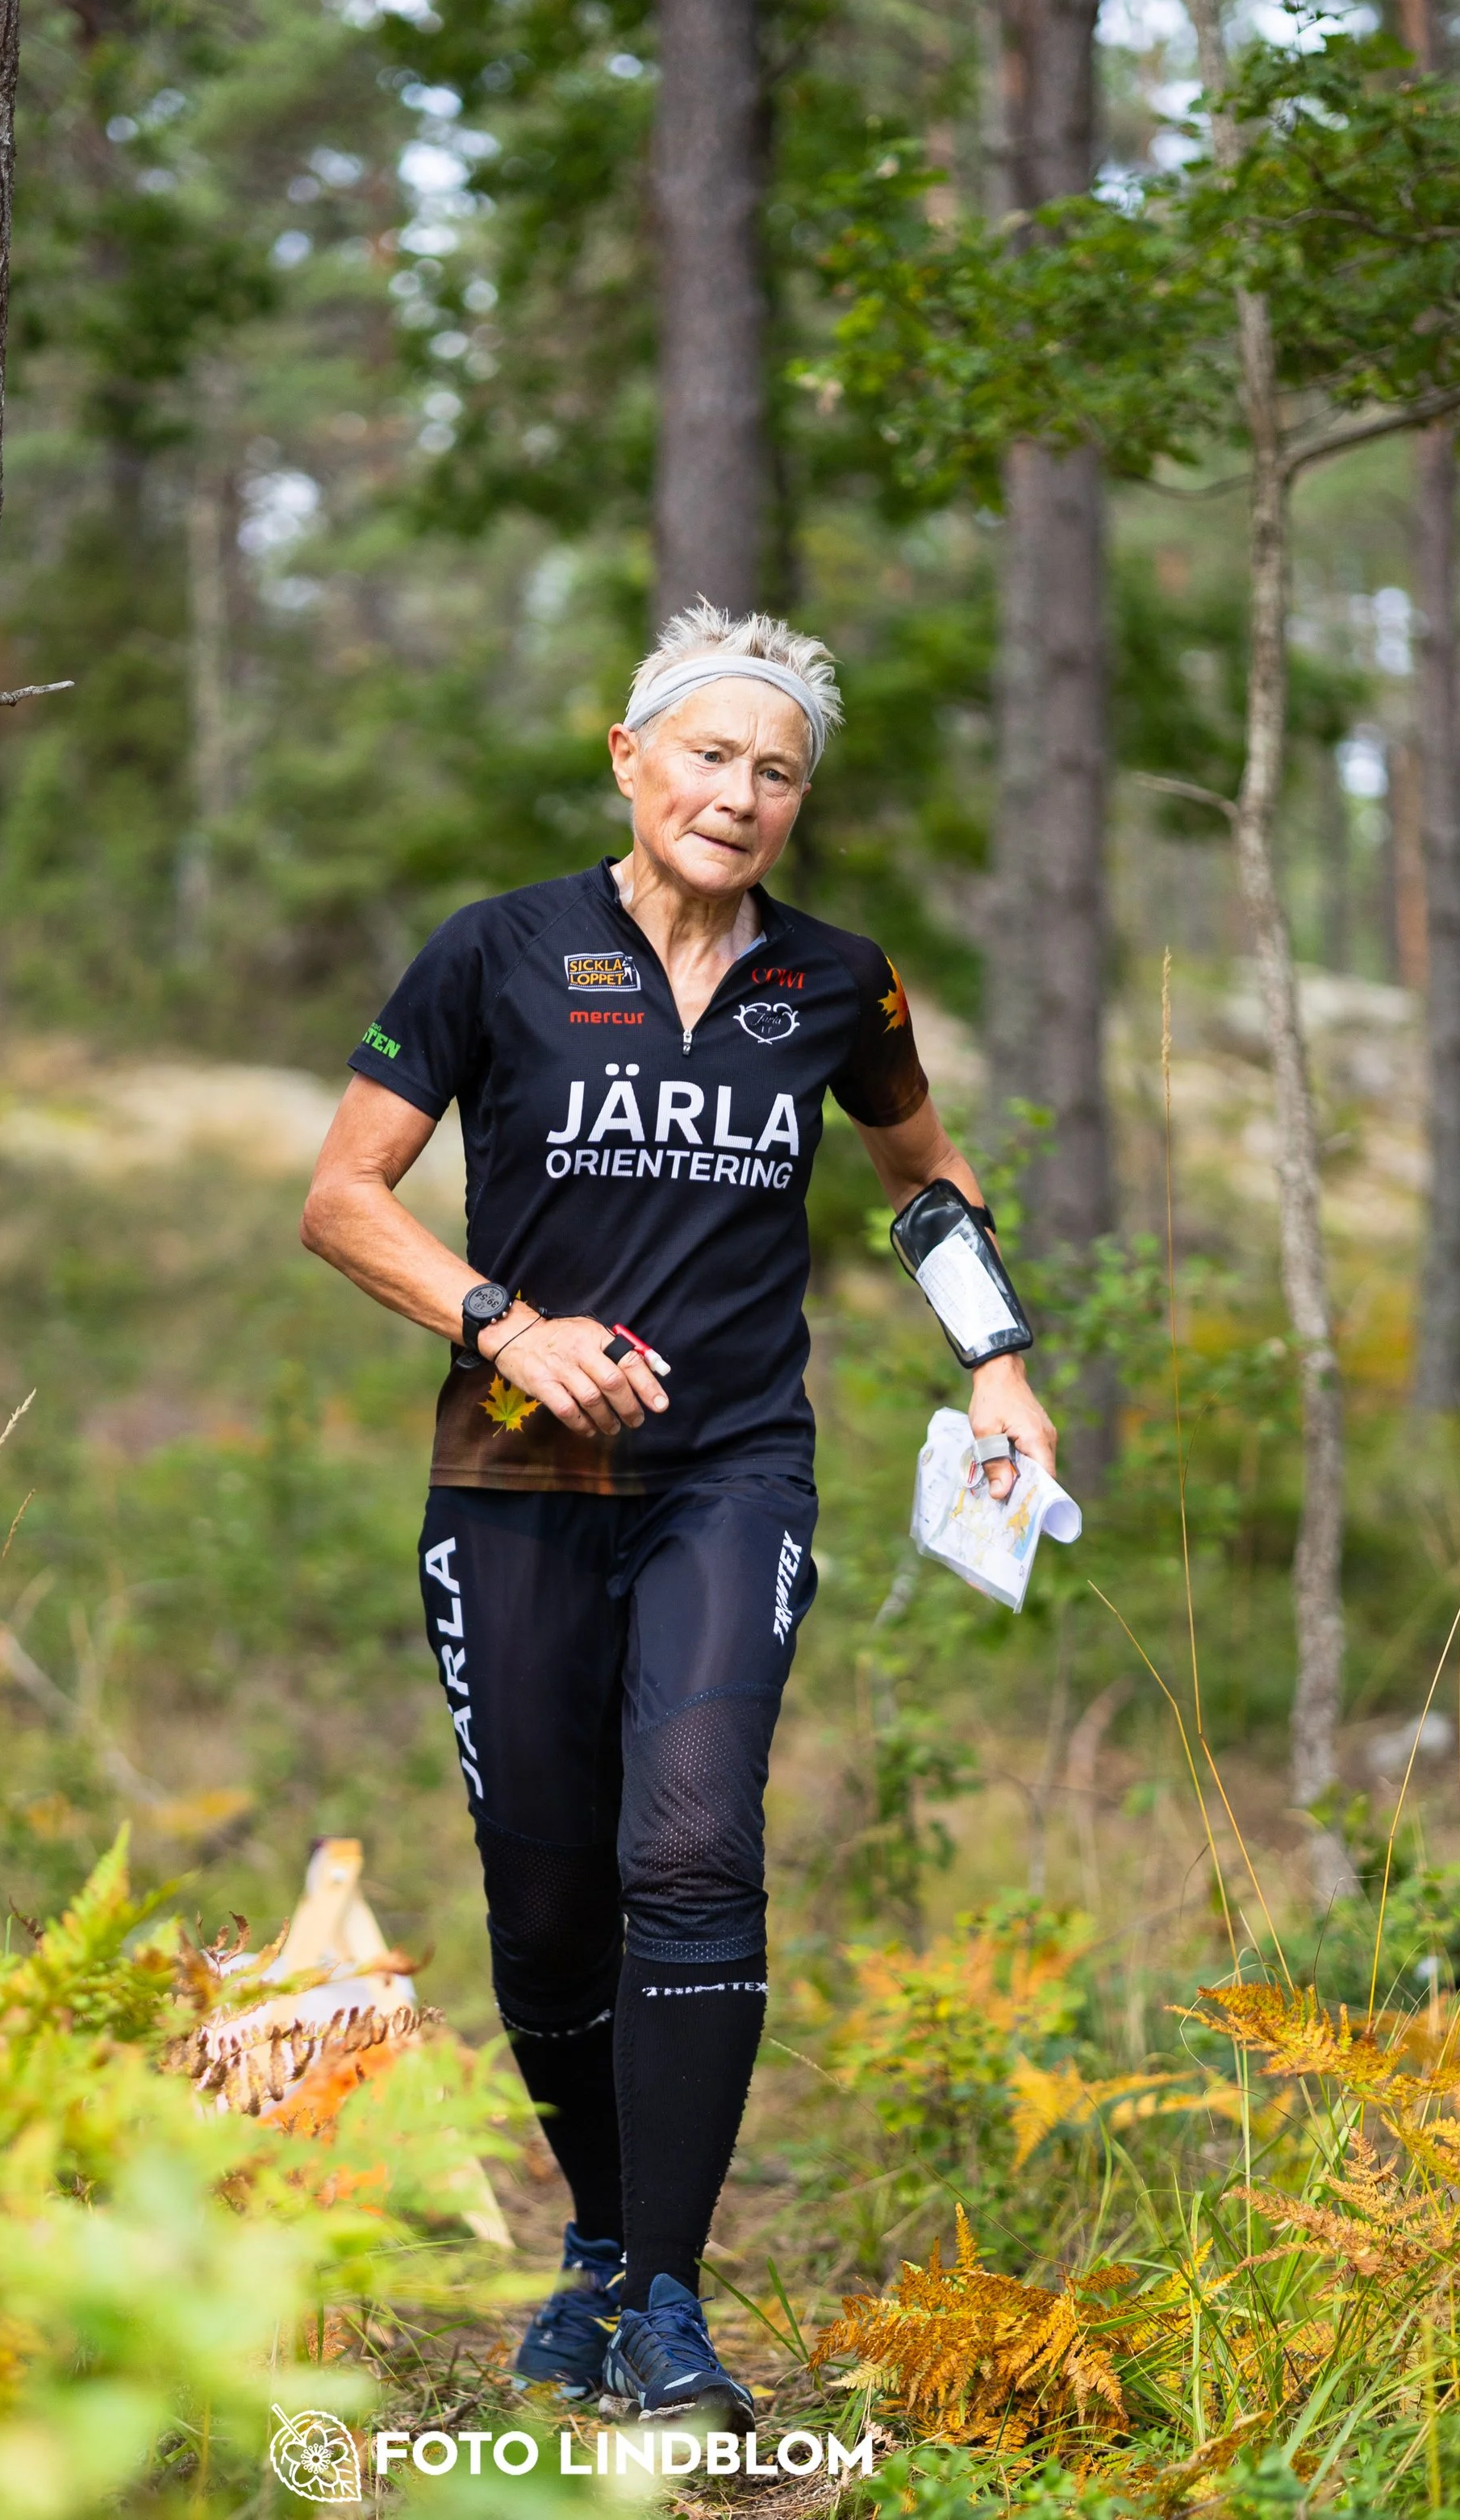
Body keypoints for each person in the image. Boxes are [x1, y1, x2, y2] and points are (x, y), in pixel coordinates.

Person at [301, 602, 1056, 2427]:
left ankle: (663, 2296)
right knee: (548, 1894)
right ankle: (596, 2237)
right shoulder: (496, 953)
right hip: (512, 1481)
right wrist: (506, 1321)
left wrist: (998, 1359)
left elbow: (919, 1168)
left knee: (695, 1850)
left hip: (733, 1473)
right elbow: (341, 1198)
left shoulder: (835, 981)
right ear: (630, 759)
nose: (737, 793)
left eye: (773, 771)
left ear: (797, 802)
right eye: (707, 755)